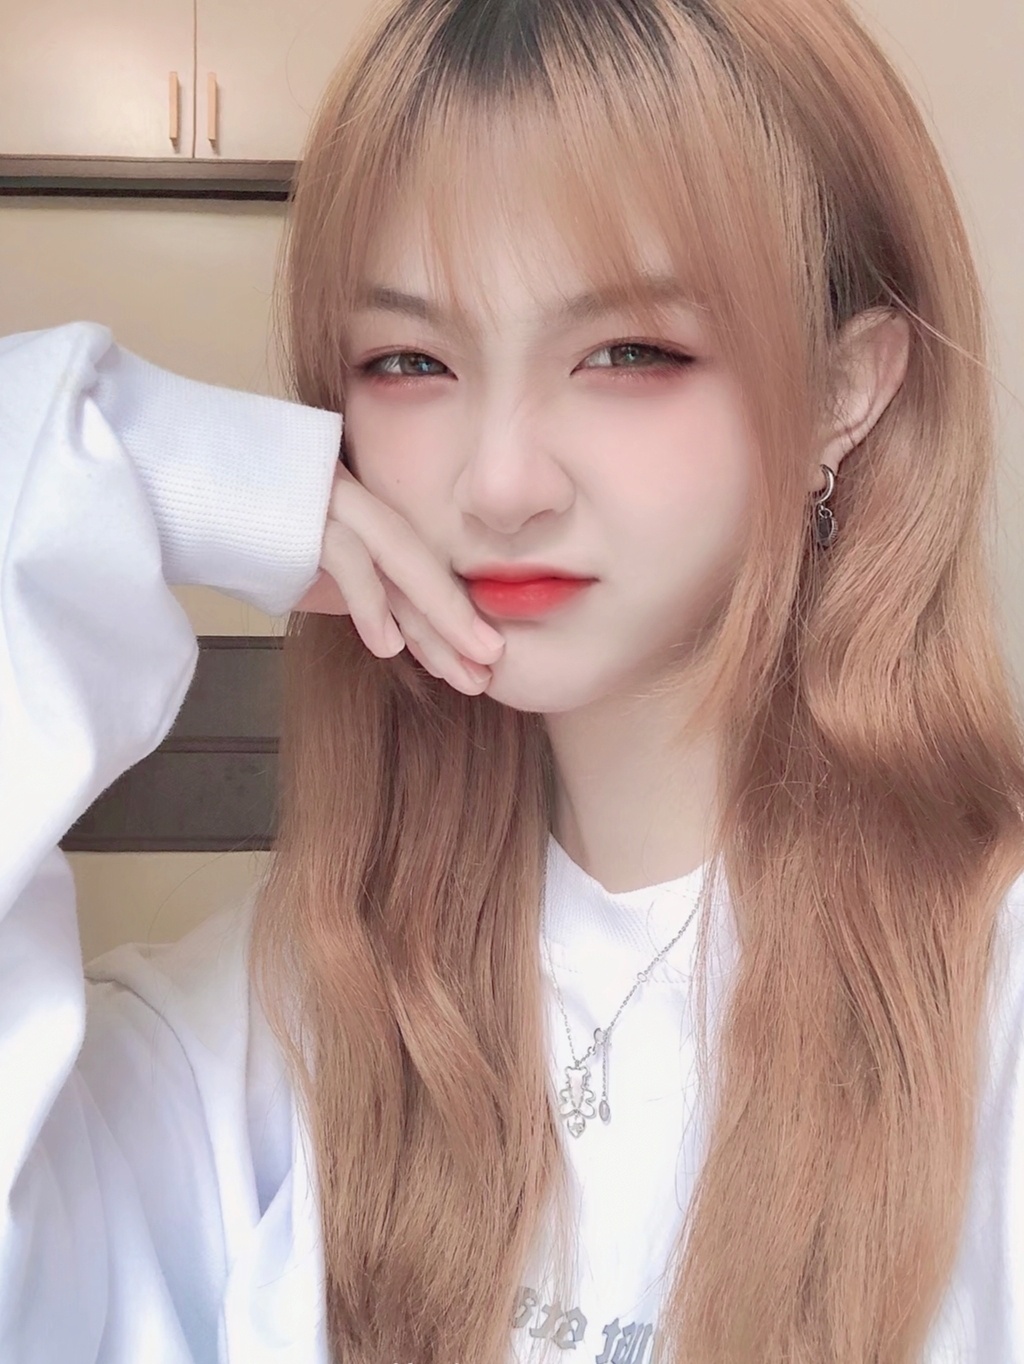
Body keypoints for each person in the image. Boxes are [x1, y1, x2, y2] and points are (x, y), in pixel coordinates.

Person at [2, 1, 1024, 1362]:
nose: (497, 485)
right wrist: (102, 464)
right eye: (408, 362)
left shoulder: (992, 1014)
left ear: (846, 389)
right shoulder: (283, 1021)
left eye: (630, 352)